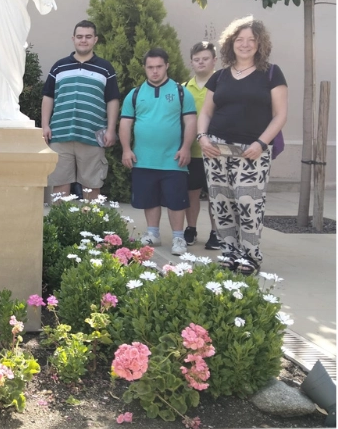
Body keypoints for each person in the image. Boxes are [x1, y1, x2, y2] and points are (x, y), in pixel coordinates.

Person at [197, 17, 288, 275]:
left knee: (249, 202)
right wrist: (202, 137)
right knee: (221, 202)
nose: (245, 45)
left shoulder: (271, 73)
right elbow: (205, 112)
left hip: (253, 150)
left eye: (251, 40)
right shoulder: (220, 76)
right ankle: (230, 251)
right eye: (240, 40)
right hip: (216, 148)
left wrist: (262, 143)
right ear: (231, 43)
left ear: (260, 44)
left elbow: (280, 115)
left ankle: (250, 255)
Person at [119, 48, 197, 256]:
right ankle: (153, 233)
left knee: (176, 201)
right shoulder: (135, 94)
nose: (154, 71)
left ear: (167, 66)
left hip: (173, 159)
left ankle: (178, 238)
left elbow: (190, 122)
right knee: (149, 199)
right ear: (144, 68)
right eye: (150, 67)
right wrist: (126, 149)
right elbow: (125, 124)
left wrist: (186, 147)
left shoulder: (181, 93)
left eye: (159, 67)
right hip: (143, 159)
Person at [42, 20, 119, 200]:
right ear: (73, 39)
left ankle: (90, 227)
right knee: (60, 187)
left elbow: (112, 99)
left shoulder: (106, 68)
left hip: (92, 135)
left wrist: (111, 129)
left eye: (88, 37)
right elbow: (48, 96)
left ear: (95, 40)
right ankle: (62, 228)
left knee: (91, 187)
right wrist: (45, 125)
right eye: (79, 37)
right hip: (60, 135)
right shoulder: (59, 66)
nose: (83, 40)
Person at [183, 41, 220, 249]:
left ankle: (216, 232)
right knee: (191, 193)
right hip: (193, 152)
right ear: (191, 62)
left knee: (215, 194)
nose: (201, 63)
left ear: (214, 61)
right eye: (197, 60)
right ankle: (191, 228)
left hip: (215, 151)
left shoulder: (222, 86)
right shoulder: (184, 89)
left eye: (205, 59)